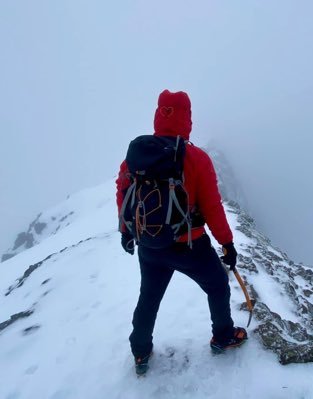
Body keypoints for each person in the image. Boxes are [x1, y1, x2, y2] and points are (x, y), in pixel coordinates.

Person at [116, 90, 247, 373]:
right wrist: (227, 243)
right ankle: (223, 336)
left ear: (158, 114)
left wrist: (127, 231)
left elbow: (124, 191)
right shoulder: (197, 158)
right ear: (187, 118)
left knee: (149, 297)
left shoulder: (136, 156)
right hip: (190, 245)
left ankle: (140, 351)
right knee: (217, 285)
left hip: (149, 244)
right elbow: (212, 206)